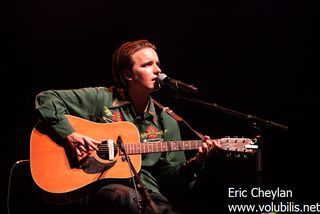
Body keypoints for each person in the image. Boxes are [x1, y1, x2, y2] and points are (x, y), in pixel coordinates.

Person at [34, 39, 220, 214]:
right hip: (99, 188)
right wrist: (70, 134)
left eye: (157, 63)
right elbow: (47, 99)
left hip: (147, 194)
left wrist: (197, 162)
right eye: (147, 65)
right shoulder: (102, 98)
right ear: (128, 75)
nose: (158, 70)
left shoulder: (167, 120)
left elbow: (171, 177)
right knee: (123, 198)